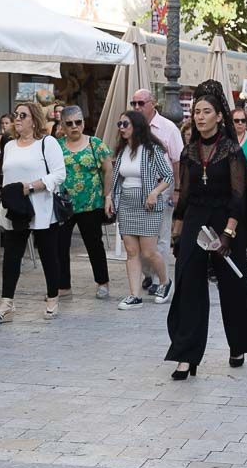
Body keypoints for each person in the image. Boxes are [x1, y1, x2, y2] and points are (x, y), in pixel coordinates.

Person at [167, 81, 247, 377]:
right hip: (195, 220)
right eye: (197, 112)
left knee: (233, 285)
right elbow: (184, 195)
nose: (200, 117)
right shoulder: (190, 152)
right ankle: (186, 355)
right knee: (188, 284)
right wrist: (177, 232)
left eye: (207, 112)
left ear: (219, 116)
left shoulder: (230, 150)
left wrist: (228, 234)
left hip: (227, 221)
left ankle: (238, 344)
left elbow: (239, 197)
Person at [0, 102, 66, 322]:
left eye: (22, 115)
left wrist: (32, 186)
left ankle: (52, 298)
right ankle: (7, 302)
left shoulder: (47, 143)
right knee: (11, 256)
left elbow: (59, 174)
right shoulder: (8, 145)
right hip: (16, 208)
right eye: (16, 115)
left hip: (41, 206)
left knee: (48, 254)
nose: (17, 118)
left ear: (34, 120)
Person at [110, 111, 172, 309]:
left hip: (148, 205)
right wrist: (110, 197)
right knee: (131, 251)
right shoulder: (121, 151)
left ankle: (165, 282)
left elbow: (168, 176)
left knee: (149, 252)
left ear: (136, 125)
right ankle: (134, 295)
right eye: (119, 123)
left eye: (125, 123)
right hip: (127, 204)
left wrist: (155, 192)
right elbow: (118, 179)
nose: (121, 127)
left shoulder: (152, 150)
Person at [56, 106, 113, 301]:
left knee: (93, 244)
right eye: (69, 123)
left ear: (83, 122)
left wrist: (107, 196)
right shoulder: (57, 146)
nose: (74, 127)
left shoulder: (95, 144)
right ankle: (63, 286)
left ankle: (102, 282)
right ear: (62, 125)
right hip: (64, 204)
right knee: (60, 245)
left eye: (78, 122)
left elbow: (108, 170)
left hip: (90, 203)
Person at [129, 89, 183, 294]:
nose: (136, 107)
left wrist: (177, 189)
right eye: (133, 103)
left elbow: (177, 161)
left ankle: (162, 280)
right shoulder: (131, 127)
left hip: (162, 186)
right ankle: (148, 274)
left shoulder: (168, 128)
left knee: (160, 235)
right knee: (137, 235)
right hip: (136, 188)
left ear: (153, 104)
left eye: (140, 103)